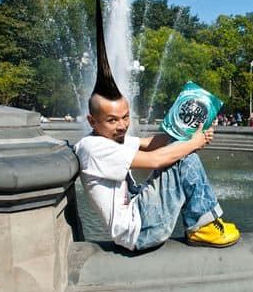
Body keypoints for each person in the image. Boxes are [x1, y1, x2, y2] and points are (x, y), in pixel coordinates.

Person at [73, 93, 240, 251]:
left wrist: (191, 135)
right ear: (92, 121)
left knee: (181, 150)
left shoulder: (108, 137)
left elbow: (150, 143)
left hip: (139, 216)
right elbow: (155, 159)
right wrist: (193, 144)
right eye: (112, 120)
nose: (122, 126)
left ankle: (203, 224)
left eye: (125, 117)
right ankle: (204, 226)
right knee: (184, 156)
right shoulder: (93, 148)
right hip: (138, 231)